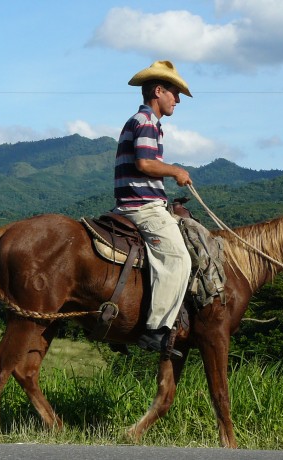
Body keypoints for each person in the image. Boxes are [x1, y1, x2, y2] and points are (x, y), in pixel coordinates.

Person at [112, 60, 193, 357]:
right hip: (143, 206)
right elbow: (144, 164)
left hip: (130, 203)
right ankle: (156, 329)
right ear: (158, 90)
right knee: (179, 258)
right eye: (174, 92)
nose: (178, 100)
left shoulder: (142, 121)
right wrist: (175, 171)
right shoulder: (146, 122)